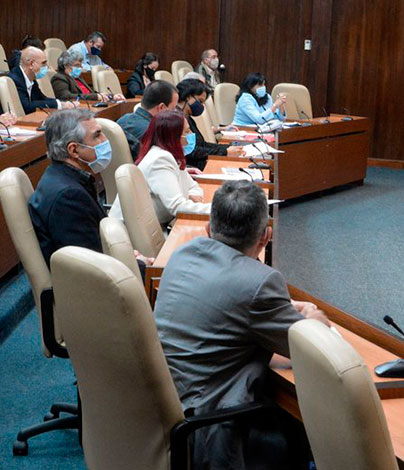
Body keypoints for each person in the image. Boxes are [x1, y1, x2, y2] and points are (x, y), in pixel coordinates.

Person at [154, 179, 328, 469]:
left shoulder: (183, 253)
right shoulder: (261, 283)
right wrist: (310, 313)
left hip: (161, 409)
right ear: (266, 237)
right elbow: (313, 346)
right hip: (206, 426)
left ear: (209, 230)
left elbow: (231, 302)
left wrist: (282, 307)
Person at [26, 109, 109, 265]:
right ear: (74, 150)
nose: (105, 140)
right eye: (97, 135)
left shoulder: (60, 175)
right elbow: (92, 267)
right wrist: (141, 264)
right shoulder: (68, 197)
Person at [109, 110, 210, 226]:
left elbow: (193, 187)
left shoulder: (171, 157)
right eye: (187, 132)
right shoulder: (160, 160)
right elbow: (177, 206)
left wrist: (191, 194)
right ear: (173, 137)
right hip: (134, 233)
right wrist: (217, 210)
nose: (191, 134)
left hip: (157, 225)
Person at [176, 78, 244, 169]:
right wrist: (225, 152)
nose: (201, 106)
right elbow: (190, 151)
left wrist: (227, 148)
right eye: (200, 101)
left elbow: (202, 144)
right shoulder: (176, 119)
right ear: (188, 97)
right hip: (192, 168)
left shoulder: (188, 118)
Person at [116, 80, 178, 157]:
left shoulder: (122, 119)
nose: (175, 113)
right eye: (173, 109)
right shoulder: (155, 134)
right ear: (161, 107)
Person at [8, 47, 77, 114]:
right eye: (43, 63)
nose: (46, 67)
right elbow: (27, 106)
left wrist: (62, 103)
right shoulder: (15, 80)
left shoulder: (31, 78)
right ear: (31, 64)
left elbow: (42, 98)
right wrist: (59, 105)